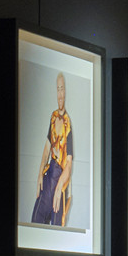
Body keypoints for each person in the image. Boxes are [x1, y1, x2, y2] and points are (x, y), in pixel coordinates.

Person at [31, 76, 75, 229]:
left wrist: (59, 186)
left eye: (62, 88)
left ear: (66, 91)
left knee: (57, 231)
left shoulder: (67, 124)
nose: (60, 93)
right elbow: (46, 150)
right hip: (49, 176)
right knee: (36, 223)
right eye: (58, 89)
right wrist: (39, 175)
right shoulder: (53, 117)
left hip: (59, 179)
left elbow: (68, 165)